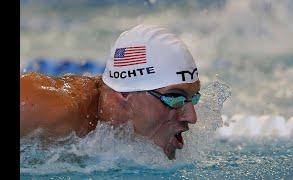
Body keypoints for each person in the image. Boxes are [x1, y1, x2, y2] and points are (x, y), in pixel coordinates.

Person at [20, 25, 201, 160]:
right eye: (173, 98)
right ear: (124, 94)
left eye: (193, 98)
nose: (192, 117)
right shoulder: (49, 110)